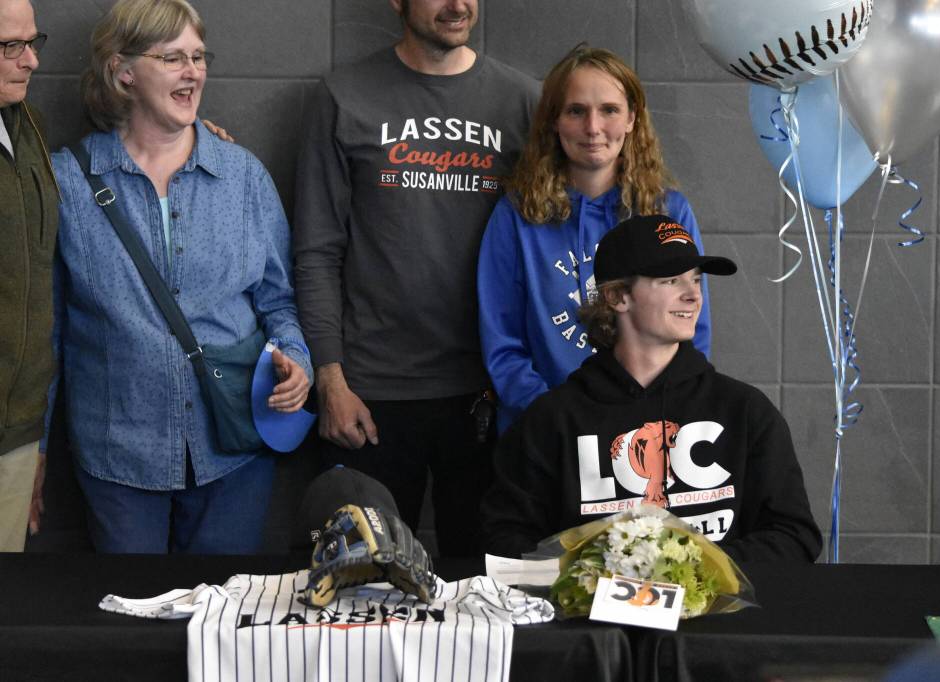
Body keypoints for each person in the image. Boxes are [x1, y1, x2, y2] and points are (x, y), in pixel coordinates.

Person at [49, 0, 311, 553]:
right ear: (123, 71)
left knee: (221, 620)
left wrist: (298, 364)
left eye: (198, 56)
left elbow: (279, 302)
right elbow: (45, 332)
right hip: (117, 452)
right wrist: (35, 452)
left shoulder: (242, 176)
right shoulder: (67, 182)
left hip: (233, 449)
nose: (193, 72)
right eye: (172, 58)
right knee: (128, 626)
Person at [292, 0, 537, 556]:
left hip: (488, 393)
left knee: (481, 593)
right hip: (372, 397)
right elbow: (316, 252)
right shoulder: (342, 97)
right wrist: (330, 381)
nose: (458, 5)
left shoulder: (523, 102)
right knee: (366, 594)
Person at [481, 214, 822, 564]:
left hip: (717, 616)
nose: (692, 296)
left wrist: (688, 567)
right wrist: (595, 572)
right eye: (671, 280)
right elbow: (505, 537)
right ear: (617, 296)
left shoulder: (744, 411)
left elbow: (795, 536)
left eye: (696, 280)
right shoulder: (553, 419)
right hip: (592, 617)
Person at [477, 45, 713, 433]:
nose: (593, 128)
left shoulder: (668, 212)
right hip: (544, 431)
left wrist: (648, 420)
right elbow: (502, 343)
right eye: (576, 111)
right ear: (554, 121)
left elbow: (692, 331)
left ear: (632, 119)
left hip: (644, 433)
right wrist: (557, 417)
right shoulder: (517, 215)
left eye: (609, 110)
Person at [0, 0, 55, 551]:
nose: (31, 61)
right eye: (10, 47)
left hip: (17, 428)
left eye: (32, 42)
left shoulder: (28, 124)